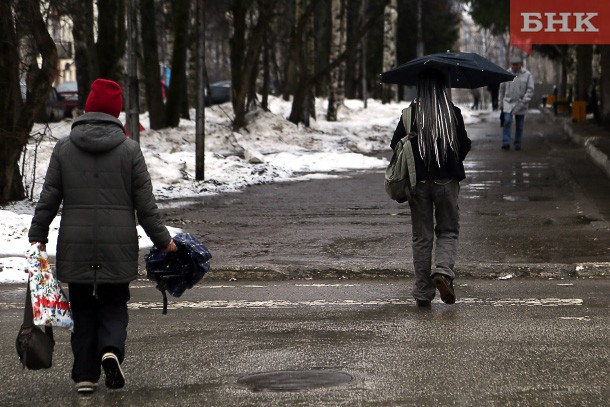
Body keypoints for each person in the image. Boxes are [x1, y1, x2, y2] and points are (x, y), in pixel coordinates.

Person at [29, 78, 177, 394]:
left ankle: (84, 375)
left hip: (76, 245)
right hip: (117, 246)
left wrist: (37, 234)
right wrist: (164, 241)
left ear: (88, 108)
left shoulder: (64, 148)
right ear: (116, 112)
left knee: (82, 309)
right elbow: (146, 206)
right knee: (113, 303)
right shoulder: (129, 150)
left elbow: (49, 197)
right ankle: (110, 348)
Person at [390, 69, 471, 308]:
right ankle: (443, 273)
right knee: (447, 230)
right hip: (447, 182)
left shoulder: (410, 115)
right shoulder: (452, 113)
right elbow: (464, 145)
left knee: (422, 237)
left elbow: (396, 145)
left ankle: (423, 293)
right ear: (442, 88)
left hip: (418, 183)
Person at [499, 56, 534, 150]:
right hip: (508, 102)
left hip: (520, 103)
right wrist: (500, 104)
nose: (514, 66)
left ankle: (517, 143)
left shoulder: (527, 75)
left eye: (516, 64)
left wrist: (525, 100)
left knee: (520, 125)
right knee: (507, 121)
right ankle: (506, 142)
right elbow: (501, 90)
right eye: (513, 65)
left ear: (520, 65)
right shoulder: (506, 73)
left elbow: (530, 89)